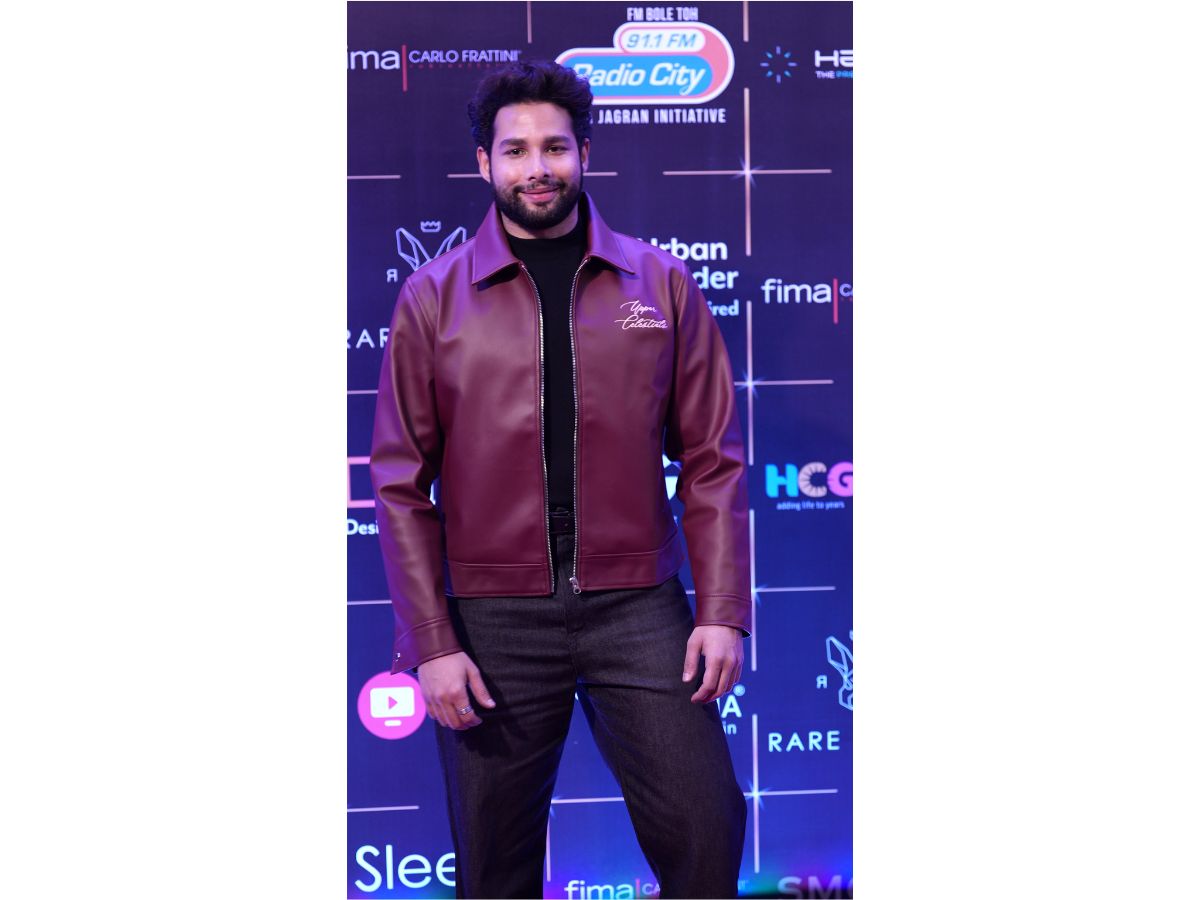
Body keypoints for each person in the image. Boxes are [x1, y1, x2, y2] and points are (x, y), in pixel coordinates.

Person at [370, 59, 750, 899]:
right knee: (494, 868)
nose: (536, 167)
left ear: (585, 153)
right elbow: (398, 486)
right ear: (485, 163)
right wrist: (431, 642)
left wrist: (722, 611)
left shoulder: (660, 284)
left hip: (638, 605)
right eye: (515, 150)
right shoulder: (433, 298)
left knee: (707, 828)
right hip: (490, 619)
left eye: (554, 147)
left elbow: (713, 461)